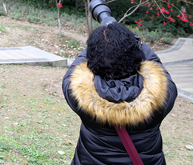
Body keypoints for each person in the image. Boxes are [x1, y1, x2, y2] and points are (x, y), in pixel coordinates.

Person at [62, 22, 177, 165]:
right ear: (136, 54)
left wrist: (100, 43)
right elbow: (156, 64)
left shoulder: (78, 94)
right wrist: (137, 43)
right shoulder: (162, 95)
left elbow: (74, 68)